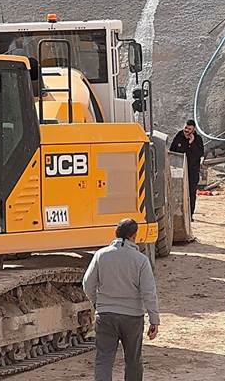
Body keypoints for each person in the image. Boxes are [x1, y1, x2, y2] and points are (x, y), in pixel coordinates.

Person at [83, 219, 160, 381]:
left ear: (115, 234)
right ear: (134, 236)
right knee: (133, 361)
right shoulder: (141, 260)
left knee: (103, 359)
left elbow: (87, 284)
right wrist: (154, 320)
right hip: (132, 318)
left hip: (105, 316)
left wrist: (98, 303)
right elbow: (149, 292)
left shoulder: (100, 255)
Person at [169, 119, 205, 219]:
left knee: (191, 193)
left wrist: (191, 143)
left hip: (192, 171)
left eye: (189, 129)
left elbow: (200, 154)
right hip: (179, 170)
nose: (186, 131)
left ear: (193, 130)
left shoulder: (198, 139)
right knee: (178, 193)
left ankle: (190, 215)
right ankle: (178, 215)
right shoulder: (179, 136)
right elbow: (172, 151)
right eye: (185, 128)